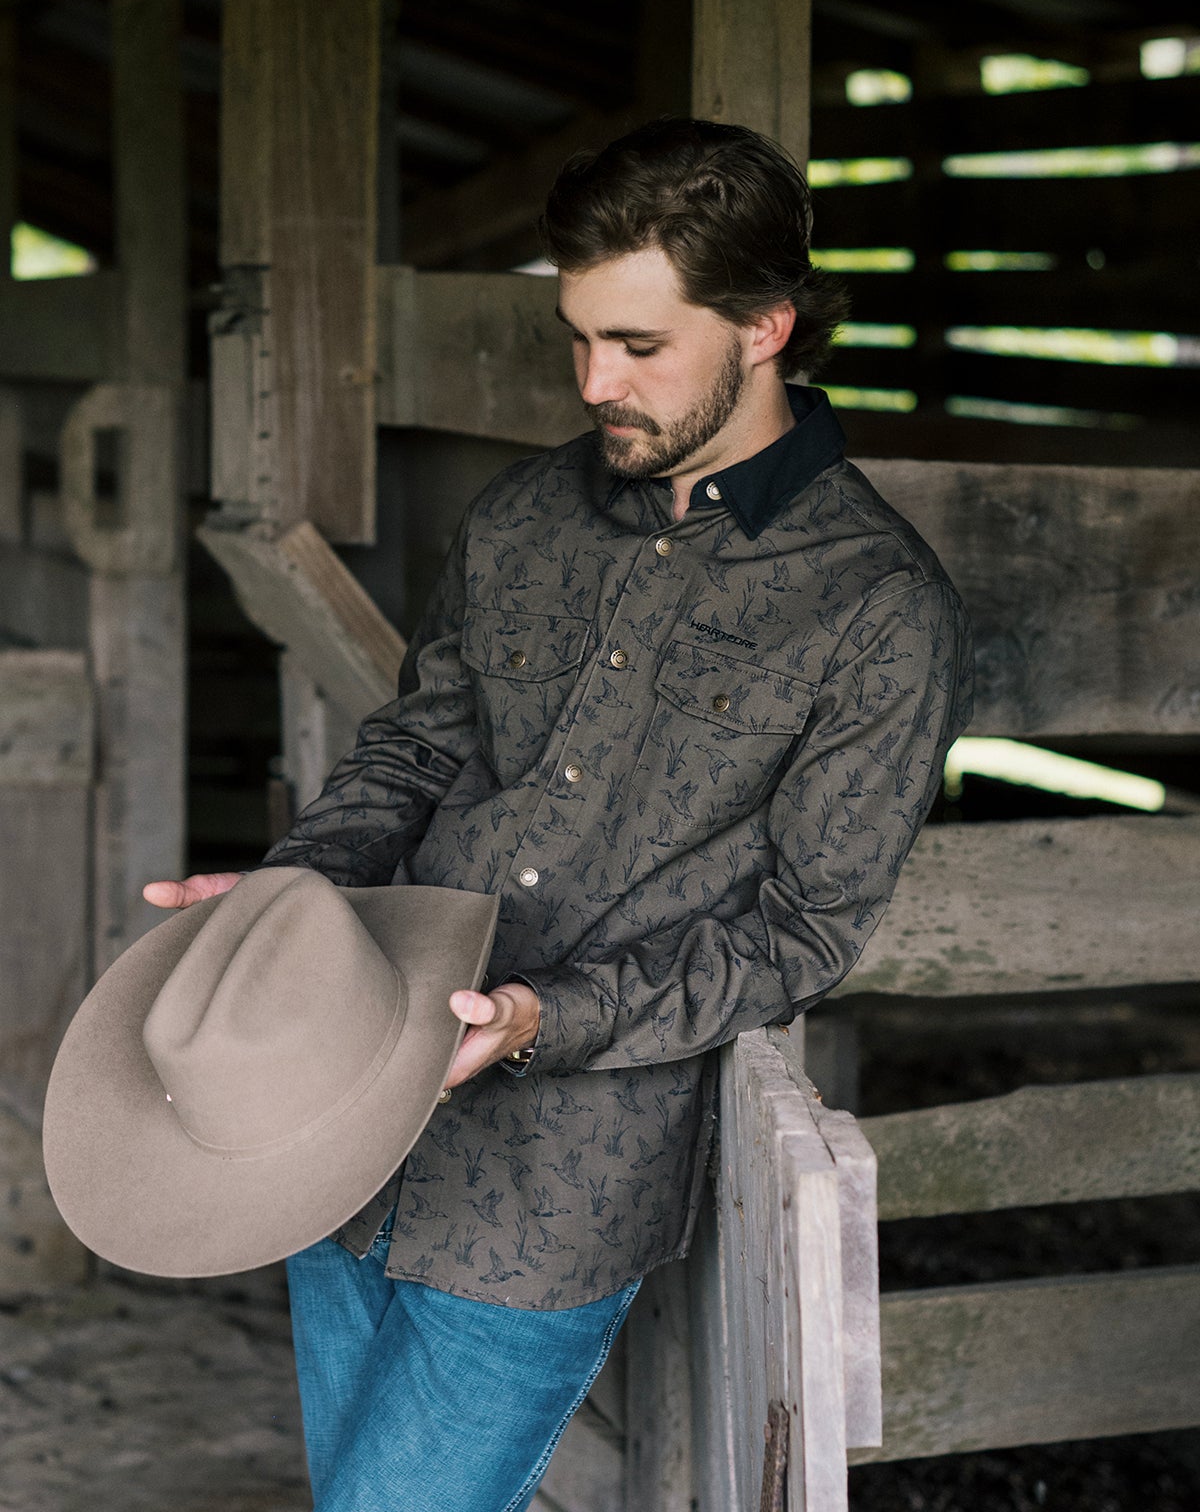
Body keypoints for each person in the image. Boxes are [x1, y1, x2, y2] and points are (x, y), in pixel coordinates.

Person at [146, 116, 973, 1512]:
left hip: (562, 1180)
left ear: (767, 326)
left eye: (640, 346)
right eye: (578, 336)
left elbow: (803, 929)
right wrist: (290, 894)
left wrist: (549, 1020)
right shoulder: (524, 513)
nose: (596, 381)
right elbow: (415, 751)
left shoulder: (878, 610)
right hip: (342, 1107)